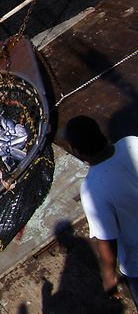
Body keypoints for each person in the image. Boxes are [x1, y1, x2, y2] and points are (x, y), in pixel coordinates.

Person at [64, 115, 138, 308]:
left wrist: (109, 277)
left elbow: (106, 241)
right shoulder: (132, 142)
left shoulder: (92, 188)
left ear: (76, 151)